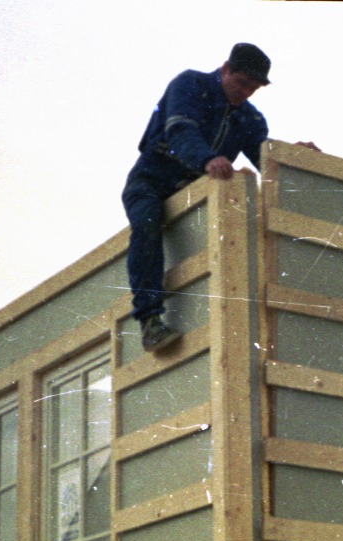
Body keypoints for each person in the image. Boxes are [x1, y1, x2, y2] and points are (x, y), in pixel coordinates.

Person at [122, 43, 317, 353]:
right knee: (146, 224)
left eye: (253, 88)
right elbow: (180, 132)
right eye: (241, 82)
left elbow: (264, 161)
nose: (245, 93)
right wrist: (208, 159)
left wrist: (293, 157)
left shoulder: (250, 119)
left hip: (196, 194)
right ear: (225, 69)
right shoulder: (190, 84)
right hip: (152, 180)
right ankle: (150, 321)